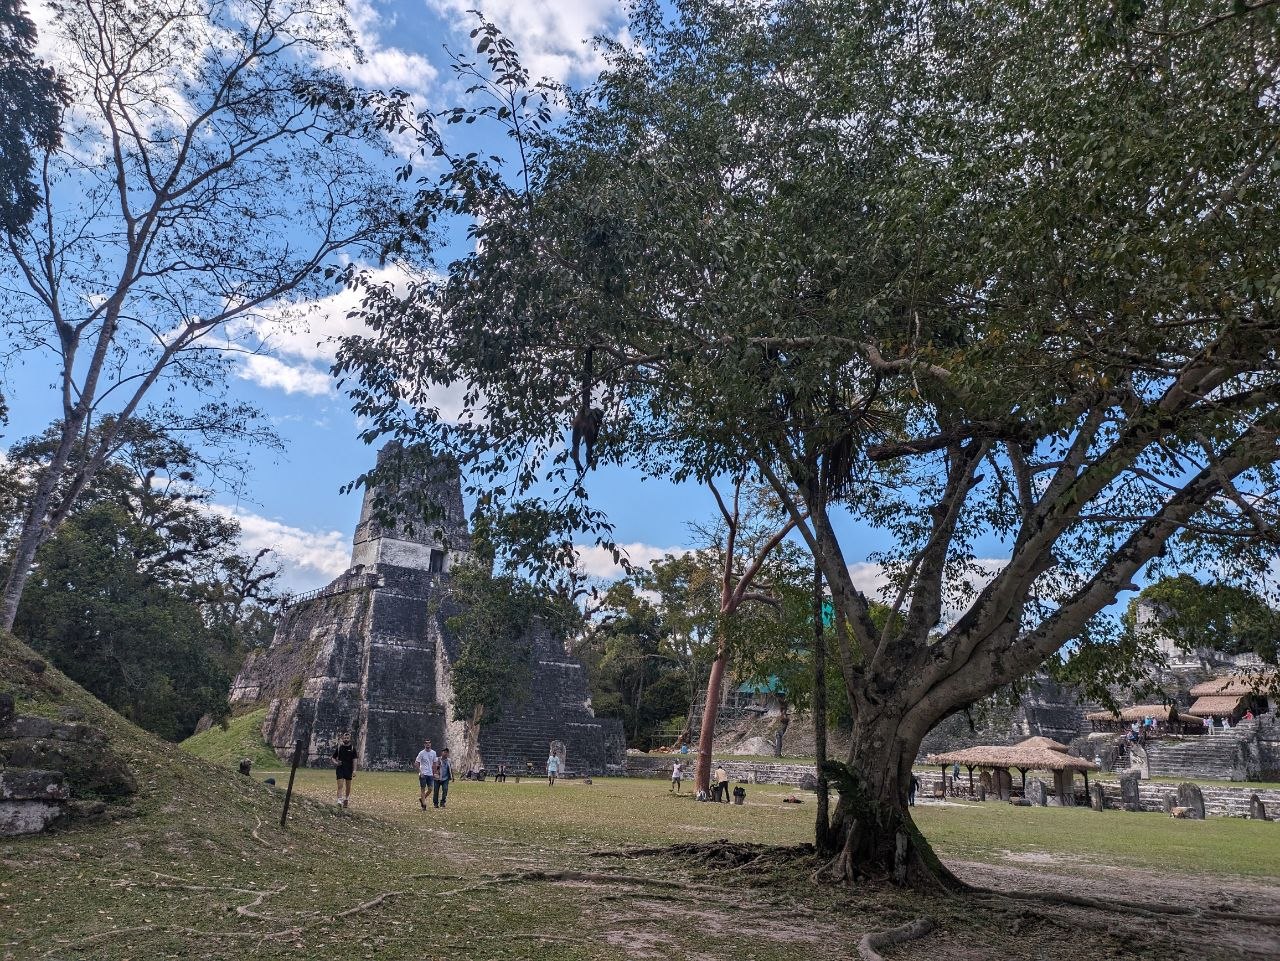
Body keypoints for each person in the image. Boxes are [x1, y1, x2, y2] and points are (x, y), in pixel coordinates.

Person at [332, 733, 357, 807]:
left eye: (347, 738)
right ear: (342, 739)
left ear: (350, 739)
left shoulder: (352, 748)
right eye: (345, 738)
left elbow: (355, 760)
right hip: (340, 769)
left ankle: (346, 799)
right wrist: (336, 763)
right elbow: (333, 757)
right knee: (340, 785)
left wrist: (354, 770)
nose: (346, 739)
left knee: (348, 786)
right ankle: (339, 800)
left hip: (349, 769)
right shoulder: (339, 748)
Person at [414, 738, 438, 810]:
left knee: (430, 789)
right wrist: (420, 772)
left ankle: (422, 799)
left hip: (430, 774)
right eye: (426, 743)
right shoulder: (421, 753)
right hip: (423, 773)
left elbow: (434, 763)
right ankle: (424, 805)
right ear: (424, 744)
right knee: (423, 789)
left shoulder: (433, 753)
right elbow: (416, 763)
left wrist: (435, 772)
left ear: (430, 744)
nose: (428, 744)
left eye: (429, 743)